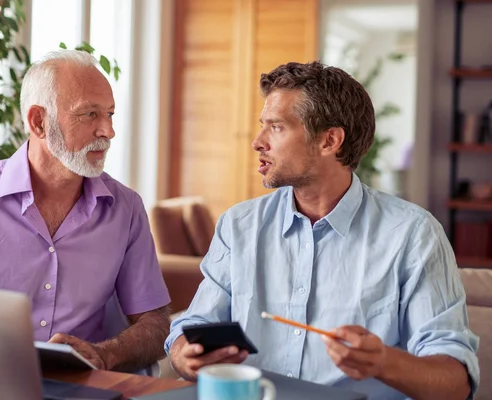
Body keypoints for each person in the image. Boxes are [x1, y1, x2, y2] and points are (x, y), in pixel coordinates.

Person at [165, 61, 479, 399]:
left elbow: (455, 383)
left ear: (330, 140)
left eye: (276, 127)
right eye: (262, 126)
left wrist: (384, 362)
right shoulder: (238, 226)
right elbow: (190, 328)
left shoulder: (413, 235)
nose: (257, 142)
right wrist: (184, 354)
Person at [0, 49, 171, 373]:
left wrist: (103, 354)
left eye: (109, 114)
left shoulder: (126, 209)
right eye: (89, 115)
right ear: (39, 122)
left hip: (80, 389)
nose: (107, 131)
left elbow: (155, 323)